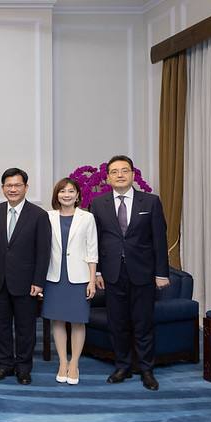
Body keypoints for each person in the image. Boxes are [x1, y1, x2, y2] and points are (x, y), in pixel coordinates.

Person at [90, 155, 169, 391]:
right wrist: (97, 272)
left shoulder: (151, 202)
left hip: (143, 273)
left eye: (125, 170)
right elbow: (94, 241)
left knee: (143, 323)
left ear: (133, 175)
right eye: (114, 172)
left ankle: (146, 369)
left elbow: (159, 240)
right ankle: (122, 366)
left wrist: (161, 273)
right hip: (112, 274)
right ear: (107, 178)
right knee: (118, 323)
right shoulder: (98, 204)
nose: (120, 175)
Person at [0, 168, 51, 385]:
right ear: (3, 188)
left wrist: (38, 281)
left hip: (26, 282)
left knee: (25, 328)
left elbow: (43, 252)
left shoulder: (39, 215)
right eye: (8, 185)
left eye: (17, 185)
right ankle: (4, 364)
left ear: (26, 187)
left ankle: (23, 368)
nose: (13, 189)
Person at [42, 178, 98, 386]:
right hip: (54, 276)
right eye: (62, 191)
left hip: (79, 277)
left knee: (77, 321)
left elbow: (92, 250)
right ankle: (62, 362)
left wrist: (92, 280)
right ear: (56, 195)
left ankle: (74, 363)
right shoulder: (48, 217)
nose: (66, 195)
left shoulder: (87, 218)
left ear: (77, 195)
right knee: (57, 320)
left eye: (71, 191)